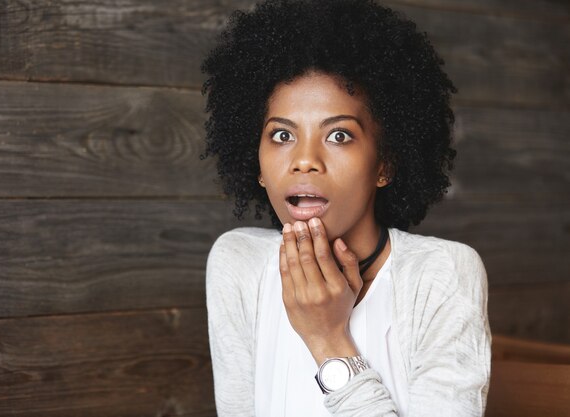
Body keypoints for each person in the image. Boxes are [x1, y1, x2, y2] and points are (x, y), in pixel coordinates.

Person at [200, 0, 491, 416]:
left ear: (384, 164)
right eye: (281, 135)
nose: (304, 160)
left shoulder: (443, 275)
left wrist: (328, 339)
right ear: (258, 166)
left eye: (338, 136)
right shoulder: (238, 263)